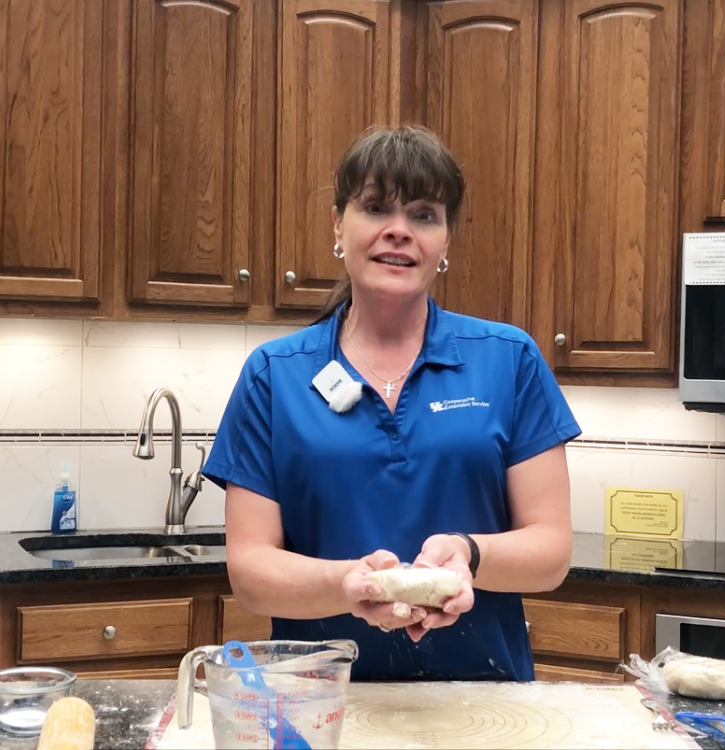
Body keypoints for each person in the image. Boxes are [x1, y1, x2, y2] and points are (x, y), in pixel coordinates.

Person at [202, 126, 582, 682]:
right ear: (339, 225)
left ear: (445, 240)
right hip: (321, 703)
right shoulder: (274, 376)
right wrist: (349, 586)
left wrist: (467, 554)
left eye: (424, 215)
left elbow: (550, 552)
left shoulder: (509, 360)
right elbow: (252, 571)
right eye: (376, 207)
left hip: (482, 703)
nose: (398, 231)